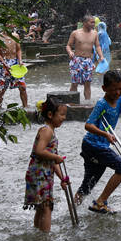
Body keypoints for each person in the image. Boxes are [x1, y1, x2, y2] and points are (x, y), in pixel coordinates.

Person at [74, 70, 121, 214]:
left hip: (99, 146)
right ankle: (100, 202)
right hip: (93, 145)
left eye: (120, 89)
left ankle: (72, 208)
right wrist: (105, 134)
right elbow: (88, 125)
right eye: (113, 90)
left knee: (88, 184)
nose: (118, 92)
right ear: (104, 89)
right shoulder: (101, 104)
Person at [24, 99, 69, 232]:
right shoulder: (47, 131)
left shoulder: (50, 131)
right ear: (50, 115)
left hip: (43, 173)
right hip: (40, 173)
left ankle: (38, 233)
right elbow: (39, 151)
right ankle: (45, 239)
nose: (64, 118)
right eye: (61, 114)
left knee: (42, 206)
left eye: (65, 115)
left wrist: (62, 179)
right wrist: (56, 157)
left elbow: (52, 161)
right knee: (47, 206)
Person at [66, 15, 104, 101]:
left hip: (88, 61)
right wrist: (70, 52)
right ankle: (72, 102)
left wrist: (101, 56)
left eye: (94, 22)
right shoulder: (75, 33)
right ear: (84, 23)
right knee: (74, 83)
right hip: (77, 60)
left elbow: (97, 46)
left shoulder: (94, 33)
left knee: (88, 84)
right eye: (91, 22)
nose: (93, 24)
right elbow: (68, 45)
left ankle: (87, 103)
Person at [0, 25, 28, 108]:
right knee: (2, 89)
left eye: (13, 23)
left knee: (22, 87)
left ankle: (26, 108)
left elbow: (18, 50)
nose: (13, 25)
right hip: (3, 65)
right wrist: (5, 64)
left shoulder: (16, 36)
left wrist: (20, 61)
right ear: (5, 25)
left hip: (15, 64)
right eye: (10, 23)